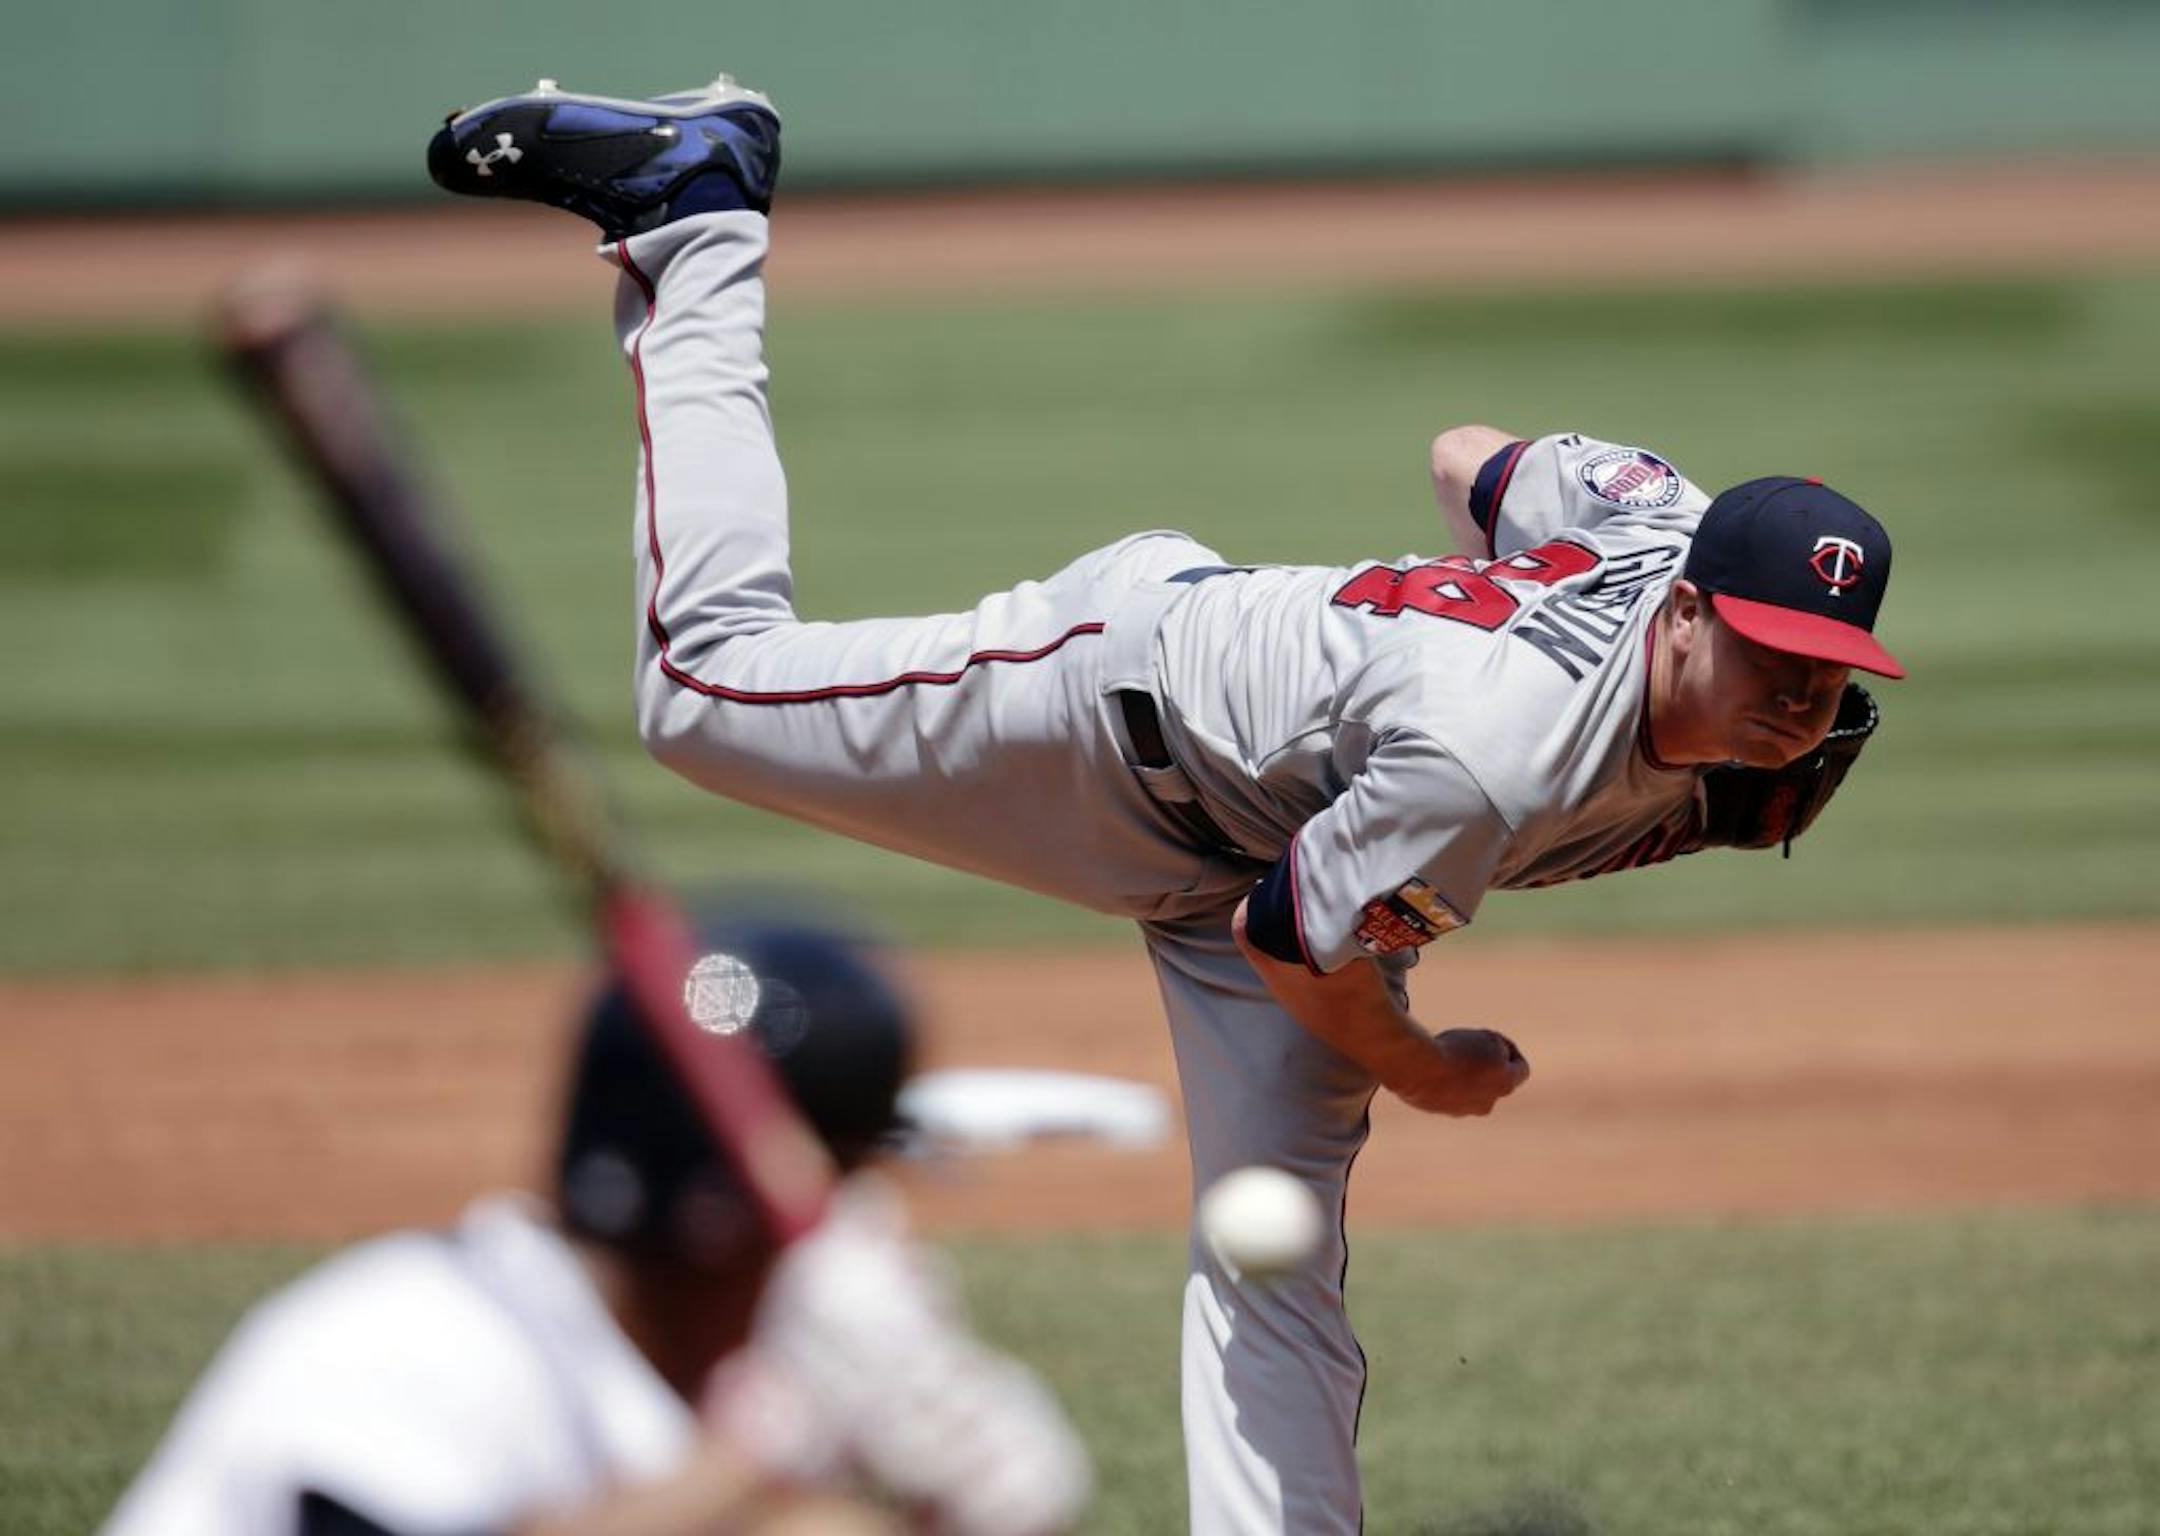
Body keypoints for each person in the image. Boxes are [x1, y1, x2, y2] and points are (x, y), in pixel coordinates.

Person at [426, 75, 1906, 1536]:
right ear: (1694, 613)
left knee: (1276, 1266)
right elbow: (1301, 956)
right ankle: (697, 221)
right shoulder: (1488, 761)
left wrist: (1430, 665)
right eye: (1775, 658)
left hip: (1292, 828)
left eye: (1831, 676)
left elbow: (1469, 459)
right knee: (705, 693)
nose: (1800, 704)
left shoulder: (1657, 516)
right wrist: (1430, 1067)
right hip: (1112, 713)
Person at [102, 915, 1091, 1536]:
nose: (866, 1232)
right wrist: (761, 1449)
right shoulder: (411, 1337)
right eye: (841, 1190)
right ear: (718, 1221)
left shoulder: (653, 1392)